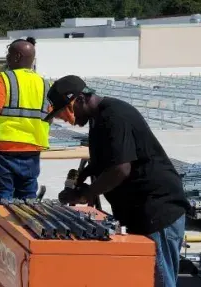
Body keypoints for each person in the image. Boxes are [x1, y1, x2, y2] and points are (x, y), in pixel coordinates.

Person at [46, 75, 190, 287]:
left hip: (158, 211)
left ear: (79, 99)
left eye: (65, 113)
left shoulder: (114, 116)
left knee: (160, 281)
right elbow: (104, 162)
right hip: (138, 211)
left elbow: (120, 169)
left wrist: (87, 194)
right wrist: (81, 181)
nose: (67, 120)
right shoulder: (97, 119)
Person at [0, 38, 51, 228]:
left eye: (8, 54)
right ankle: (24, 240)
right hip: (31, 149)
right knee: (27, 199)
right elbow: (50, 115)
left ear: (17, 56)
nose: (6, 58)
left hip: (1, 149)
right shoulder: (44, 83)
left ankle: (1, 244)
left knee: (1, 199)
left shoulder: (3, 79)